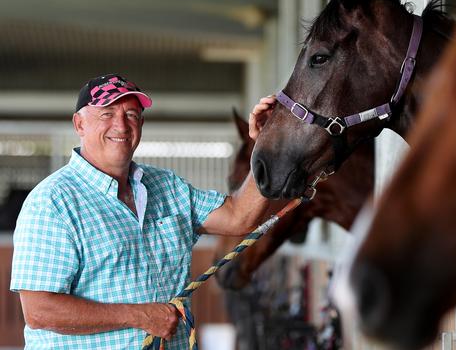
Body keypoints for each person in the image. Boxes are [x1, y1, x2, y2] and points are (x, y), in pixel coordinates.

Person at [10, 74, 275, 349]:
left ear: (141, 124)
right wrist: (139, 316)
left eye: (132, 115)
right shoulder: (52, 202)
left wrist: (266, 143)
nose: (121, 125)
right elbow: (40, 310)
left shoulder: (167, 186)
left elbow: (239, 216)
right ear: (80, 124)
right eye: (107, 113)